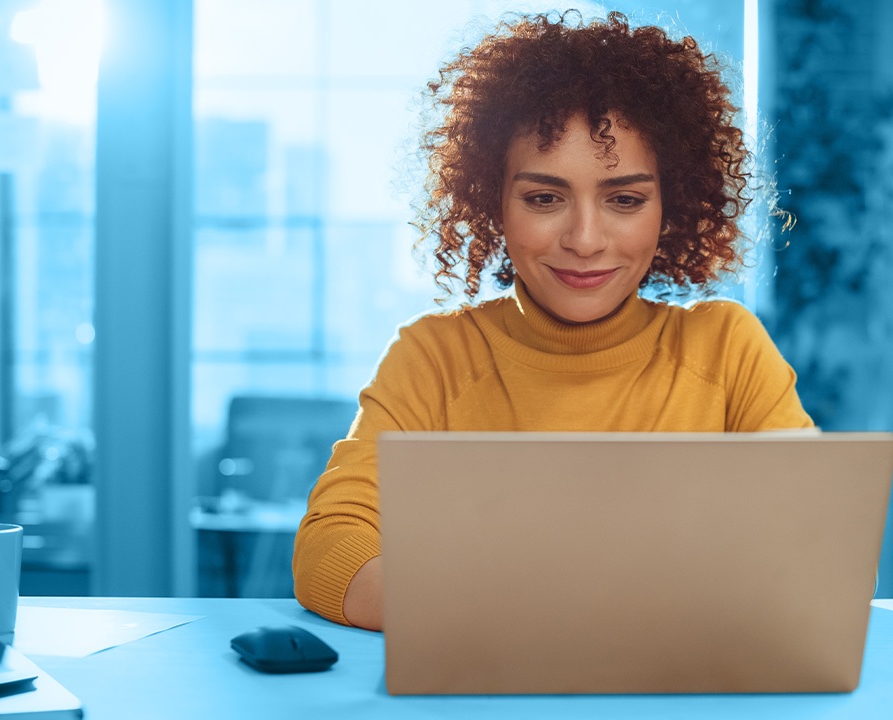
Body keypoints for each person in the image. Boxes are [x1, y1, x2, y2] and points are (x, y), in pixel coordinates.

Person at [292, 12, 815, 631]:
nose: (586, 240)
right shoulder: (433, 357)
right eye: (544, 198)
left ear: (671, 207)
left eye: (625, 199)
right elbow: (331, 549)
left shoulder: (727, 349)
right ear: (493, 202)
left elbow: (811, 554)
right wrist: (536, 616)